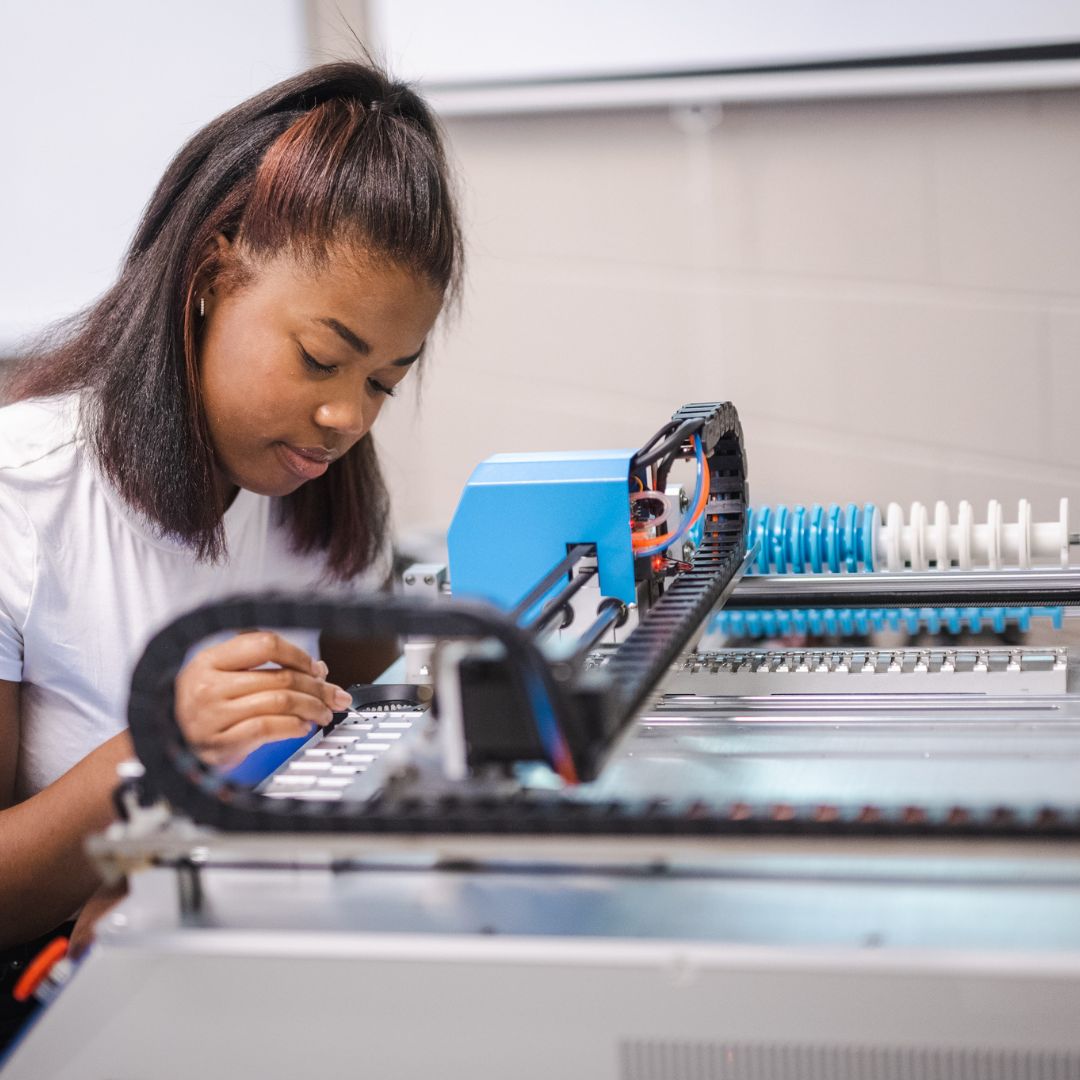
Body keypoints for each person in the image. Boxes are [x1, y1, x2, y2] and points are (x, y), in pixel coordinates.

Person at [0, 60, 461, 1036]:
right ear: (210, 275)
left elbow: (376, 727)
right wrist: (156, 757)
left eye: (384, 381)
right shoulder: (19, 492)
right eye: (320, 358)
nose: (345, 417)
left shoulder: (320, 504)